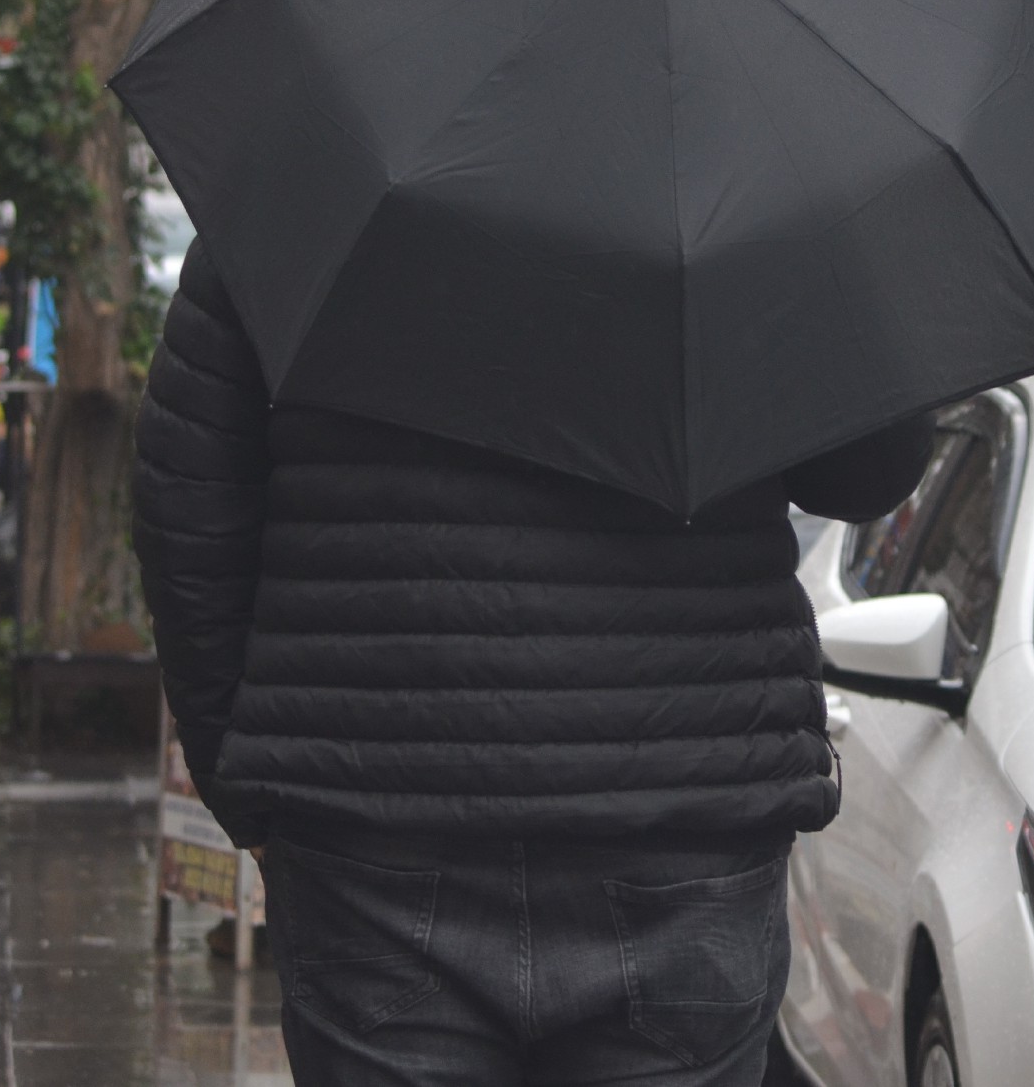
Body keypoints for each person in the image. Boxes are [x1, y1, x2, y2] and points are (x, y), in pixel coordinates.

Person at [133, 242, 932, 1086]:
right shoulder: (752, 189)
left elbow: (187, 499)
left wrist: (245, 787)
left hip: (377, 827)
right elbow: (868, 469)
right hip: (680, 823)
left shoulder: (314, 168)